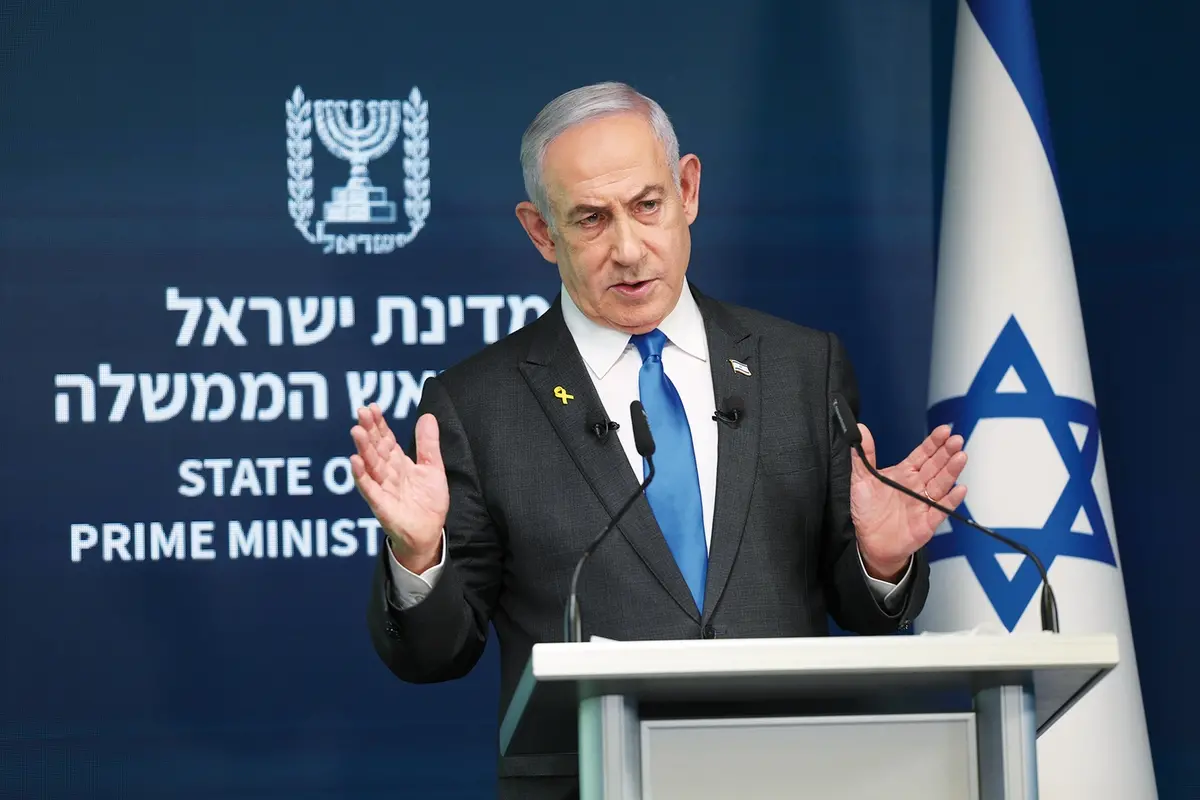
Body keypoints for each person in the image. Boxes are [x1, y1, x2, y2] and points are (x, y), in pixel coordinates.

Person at [351, 81, 968, 799]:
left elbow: (862, 611)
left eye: (648, 206)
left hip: (791, 773)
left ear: (688, 190)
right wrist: (420, 555)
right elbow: (436, 654)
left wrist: (879, 559)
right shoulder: (478, 405)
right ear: (541, 232)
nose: (628, 247)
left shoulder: (800, 367)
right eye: (589, 219)